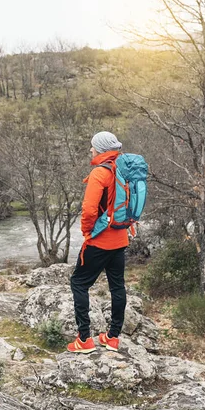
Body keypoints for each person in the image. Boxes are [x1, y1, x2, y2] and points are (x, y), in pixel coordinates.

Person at [67, 131, 128, 353]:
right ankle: (112, 338)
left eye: (92, 147)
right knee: (117, 286)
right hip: (121, 238)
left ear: (100, 149)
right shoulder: (123, 170)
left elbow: (89, 209)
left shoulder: (99, 173)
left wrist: (86, 232)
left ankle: (84, 339)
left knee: (79, 283)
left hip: (100, 240)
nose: (90, 150)